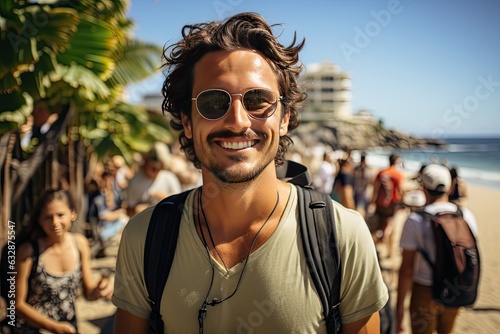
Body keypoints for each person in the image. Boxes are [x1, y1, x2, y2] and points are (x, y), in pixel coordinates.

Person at [112, 12, 388, 334]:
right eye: (213, 102)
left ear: (284, 118)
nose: (238, 121)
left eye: (258, 100)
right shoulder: (145, 237)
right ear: (187, 121)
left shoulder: (343, 235)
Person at [14, 189, 113, 333]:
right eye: (48, 217)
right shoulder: (28, 252)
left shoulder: (80, 244)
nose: (55, 222)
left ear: (73, 214)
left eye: (60, 215)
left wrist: (100, 290)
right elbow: (17, 305)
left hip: (69, 328)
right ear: (39, 220)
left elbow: (88, 293)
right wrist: (53, 327)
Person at [396, 164, 478, 334]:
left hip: (424, 289)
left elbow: (407, 270)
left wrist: (399, 310)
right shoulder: (466, 215)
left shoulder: (415, 220)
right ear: (450, 187)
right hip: (454, 287)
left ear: (423, 187)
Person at [123, 143, 182, 217]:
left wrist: (164, 199)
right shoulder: (135, 181)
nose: (155, 171)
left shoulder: (169, 178)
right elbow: (129, 211)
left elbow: (180, 204)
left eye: (158, 168)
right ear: (146, 162)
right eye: (153, 168)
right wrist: (141, 209)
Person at [368, 154, 405, 247]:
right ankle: (383, 238)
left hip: (379, 203)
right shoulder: (398, 174)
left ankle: (376, 241)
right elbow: (400, 191)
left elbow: (375, 188)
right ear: (396, 162)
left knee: (378, 223)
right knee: (389, 224)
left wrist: (372, 202)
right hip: (391, 204)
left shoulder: (381, 172)